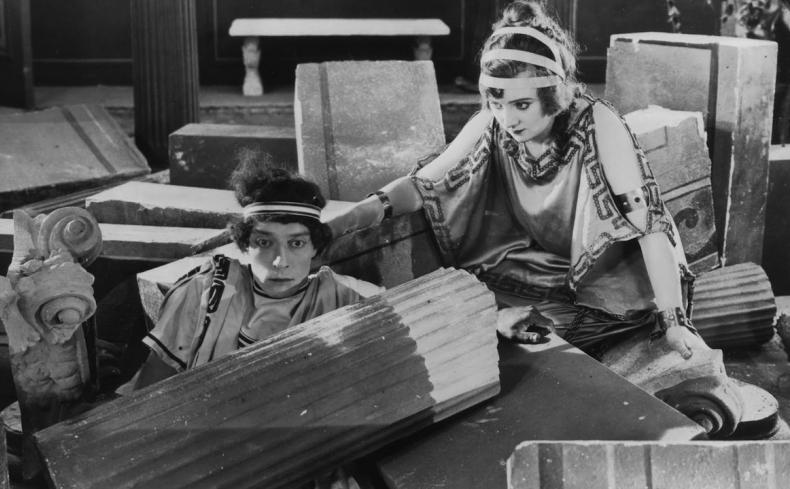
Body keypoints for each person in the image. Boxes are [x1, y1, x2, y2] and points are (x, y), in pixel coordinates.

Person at [325, 0, 770, 437]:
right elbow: (424, 182)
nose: (508, 118)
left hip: (612, 280)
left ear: (554, 94)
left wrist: (674, 323)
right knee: (483, 330)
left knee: (523, 350)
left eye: (522, 105)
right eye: (497, 101)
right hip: (535, 268)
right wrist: (351, 218)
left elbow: (651, 228)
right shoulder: (496, 121)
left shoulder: (599, 123)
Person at [126, 157, 382, 390]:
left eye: (296, 243)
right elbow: (149, 391)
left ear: (315, 246)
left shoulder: (346, 297)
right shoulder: (204, 292)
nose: (280, 261)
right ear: (244, 244)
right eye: (264, 242)